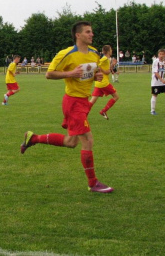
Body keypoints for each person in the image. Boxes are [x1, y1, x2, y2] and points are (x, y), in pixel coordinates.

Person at [20, 21, 113, 193]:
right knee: (88, 140)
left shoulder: (94, 54)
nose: (91, 34)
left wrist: (96, 77)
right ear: (78, 35)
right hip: (73, 102)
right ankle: (93, 183)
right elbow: (49, 73)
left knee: (71, 142)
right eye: (88, 32)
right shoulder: (67, 54)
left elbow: (92, 74)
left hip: (84, 101)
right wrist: (70, 73)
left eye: (92, 31)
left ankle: (33, 138)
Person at [90, 45, 120, 120]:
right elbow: (102, 68)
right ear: (108, 51)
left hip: (98, 83)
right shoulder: (105, 59)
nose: (111, 50)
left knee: (92, 101)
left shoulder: (107, 59)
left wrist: (111, 66)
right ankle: (103, 111)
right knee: (116, 97)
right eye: (110, 49)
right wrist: (102, 70)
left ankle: (82, 115)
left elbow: (106, 69)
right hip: (104, 83)